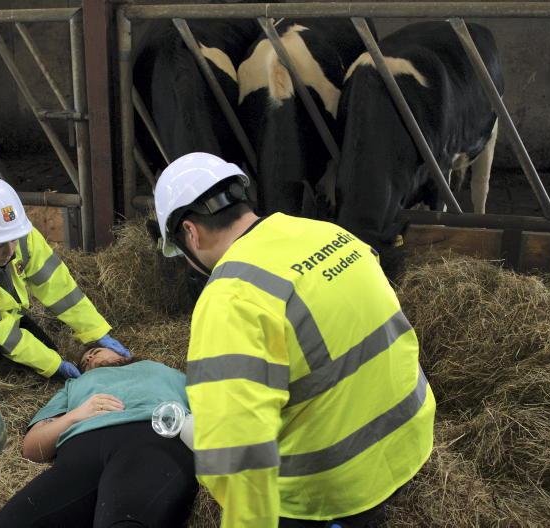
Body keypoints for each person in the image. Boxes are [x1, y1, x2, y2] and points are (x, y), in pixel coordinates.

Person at [152, 152, 436, 527]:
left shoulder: (231, 297)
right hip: (409, 438)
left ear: (190, 232)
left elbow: (239, 455)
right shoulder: (328, 234)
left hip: (333, 487)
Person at [0, 177, 129, 382]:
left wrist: (96, 331)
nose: (10, 251)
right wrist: (54, 365)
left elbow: (59, 288)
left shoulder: (22, 235)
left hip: (2, 312)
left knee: (46, 353)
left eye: (13, 240)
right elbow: (0, 328)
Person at [0, 346, 198, 528]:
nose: (89, 359)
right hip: (81, 449)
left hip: (150, 435)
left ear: (121, 352)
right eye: (84, 362)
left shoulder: (161, 369)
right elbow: (32, 447)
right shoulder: (74, 385)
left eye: (95, 352)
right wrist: (74, 416)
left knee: (126, 521)